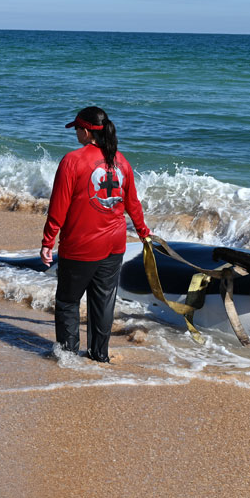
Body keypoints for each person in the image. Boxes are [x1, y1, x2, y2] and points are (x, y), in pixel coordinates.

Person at [41, 106, 151, 362]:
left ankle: (68, 356)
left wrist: (48, 241)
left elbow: (58, 207)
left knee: (68, 301)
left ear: (87, 131)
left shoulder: (72, 161)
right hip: (114, 244)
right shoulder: (121, 161)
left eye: (77, 129)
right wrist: (144, 232)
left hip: (81, 245)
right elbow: (133, 204)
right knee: (103, 303)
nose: (75, 133)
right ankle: (99, 355)